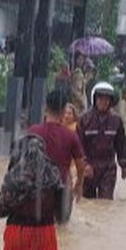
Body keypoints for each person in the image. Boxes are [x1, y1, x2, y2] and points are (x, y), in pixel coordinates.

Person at [0, 134, 64, 250]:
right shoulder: (54, 174)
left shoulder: (15, 176)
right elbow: (62, 213)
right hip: (45, 236)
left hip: (18, 235)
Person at [29, 89, 91, 223]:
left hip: (38, 188)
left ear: (46, 108)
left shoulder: (33, 131)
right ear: (64, 110)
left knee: (39, 227)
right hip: (63, 188)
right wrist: (79, 184)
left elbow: (23, 161)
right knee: (62, 230)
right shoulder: (70, 136)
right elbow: (80, 165)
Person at [77, 82, 126, 200]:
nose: (103, 102)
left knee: (105, 202)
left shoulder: (116, 120)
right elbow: (79, 145)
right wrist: (85, 165)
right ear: (94, 99)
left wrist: (124, 166)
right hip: (89, 165)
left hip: (108, 167)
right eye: (100, 98)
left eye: (107, 99)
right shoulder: (84, 119)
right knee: (87, 203)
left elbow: (121, 145)